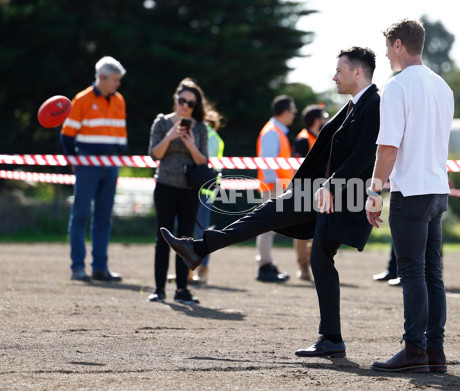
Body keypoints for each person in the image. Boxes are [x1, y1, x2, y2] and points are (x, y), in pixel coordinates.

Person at [159, 46, 380, 358]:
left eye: (340, 71)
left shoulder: (374, 105)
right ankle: (332, 339)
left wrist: (331, 185)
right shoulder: (354, 105)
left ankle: (199, 249)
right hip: (320, 193)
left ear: (358, 72)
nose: (335, 77)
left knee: (279, 227)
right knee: (302, 246)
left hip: (336, 197)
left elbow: (363, 155)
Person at [366, 19, 454, 373]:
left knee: (413, 274)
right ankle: (434, 351)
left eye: (388, 47)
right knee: (433, 274)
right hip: (437, 189)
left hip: (411, 191)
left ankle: (414, 349)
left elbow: (388, 148)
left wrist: (374, 190)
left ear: (399, 44)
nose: (386, 54)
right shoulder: (442, 86)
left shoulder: (396, 86)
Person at [61, 56, 127, 282]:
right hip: (87, 164)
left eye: (119, 80)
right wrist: (74, 160)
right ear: (102, 77)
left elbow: (120, 137)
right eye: (115, 80)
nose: (118, 84)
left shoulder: (119, 100)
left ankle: (100, 267)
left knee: (104, 218)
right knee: (80, 216)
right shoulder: (81, 99)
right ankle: (77, 267)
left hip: (111, 164)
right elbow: (67, 135)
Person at [147, 78, 210, 304]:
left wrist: (191, 144)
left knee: (185, 239)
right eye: (182, 100)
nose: (185, 106)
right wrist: (170, 136)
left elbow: (204, 161)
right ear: (175, 99)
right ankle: (159, 288)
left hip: (189, 189)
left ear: (196, 106)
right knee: (162, 238)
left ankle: (182, 289)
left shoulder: (200, 127)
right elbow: (155, 154)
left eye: (190, 103)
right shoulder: (162, 123)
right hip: (165, 185)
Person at [254, 95, 297, 283]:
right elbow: (267, 162)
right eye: (293, 110)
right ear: (285, 112)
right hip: (273, 187)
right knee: (267, 228)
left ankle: (267, 264)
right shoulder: (273, 132)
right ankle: (264, 266)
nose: (294, 114)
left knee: (269, 228)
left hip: (275, 186)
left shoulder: (276, 131)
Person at [292, 104, 328, 281]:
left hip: (320, 191)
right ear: (316, 120)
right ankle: (302, 266)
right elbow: (295, 167)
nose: (326, 120)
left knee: (318, 231)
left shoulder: (321, 137)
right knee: (301, 232)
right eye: (323, 117)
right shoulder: (303, 139)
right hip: (304, 190)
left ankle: (314, 265)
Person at [189, 109, 225, 285]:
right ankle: (194, 270)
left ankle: (201, 270)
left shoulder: (208, 137)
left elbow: (200, 159)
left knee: (200, 231)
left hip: (201, 189)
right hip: (204, 189)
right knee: (199, 230)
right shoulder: (214, 137)